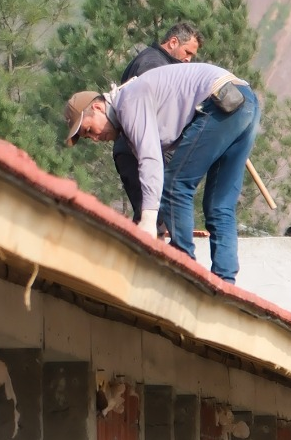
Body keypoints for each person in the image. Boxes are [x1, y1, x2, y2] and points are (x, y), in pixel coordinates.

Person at [63, 61, 261, 283]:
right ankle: (226, 282)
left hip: (221, 102)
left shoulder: (128, 101)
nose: (94, 138)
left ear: (98, 108)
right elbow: (163, 162)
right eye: (88, 137)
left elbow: (151, 160)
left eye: (89, 129)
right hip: (245, 102)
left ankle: (184, 271)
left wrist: (148, 219)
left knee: (175, 185)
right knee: (219, 205)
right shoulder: (130, 114)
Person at [112, 23, 201, 218]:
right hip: (136, 148)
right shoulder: (152, 65)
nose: (188, 59)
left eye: (192, 56)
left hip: (150, 147)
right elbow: (150, 114)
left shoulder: (166, 66)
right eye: (187, 52)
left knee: (158, 212)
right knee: (152, 212)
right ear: (173, 42)